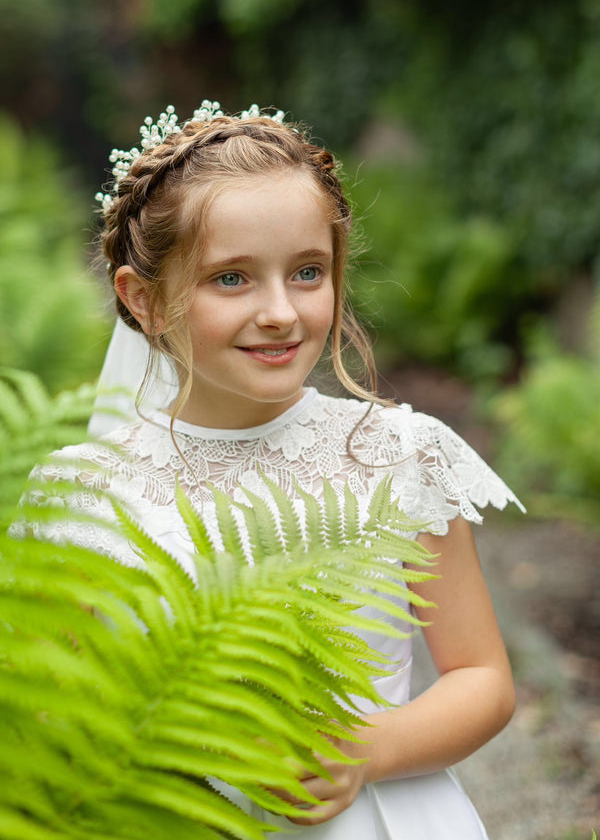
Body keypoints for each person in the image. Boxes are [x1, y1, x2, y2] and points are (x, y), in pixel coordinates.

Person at [23, 101, 525, 838]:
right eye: (232, 279)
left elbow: (483, 680)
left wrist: (367, 750)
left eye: (307, 272)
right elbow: (49, 720)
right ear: (143, 300)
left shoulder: (399, 455)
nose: (281, 312)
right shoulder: (87, 493)